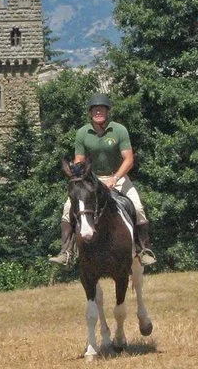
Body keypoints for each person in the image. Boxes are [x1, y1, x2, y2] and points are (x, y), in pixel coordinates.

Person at [49, 93, 156, 267]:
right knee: (67, 208)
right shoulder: (82, 133)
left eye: (102, 109)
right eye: (95, 109)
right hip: (91, 179)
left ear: (107, 111)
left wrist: (115, 178)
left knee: (138, 207)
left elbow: (128, 159)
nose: (98, 111)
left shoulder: (119, 130)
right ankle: (66, 251)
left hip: (118, 176)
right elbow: (79, 159)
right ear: (90, 113)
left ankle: (143, 249)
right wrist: (77, 173)